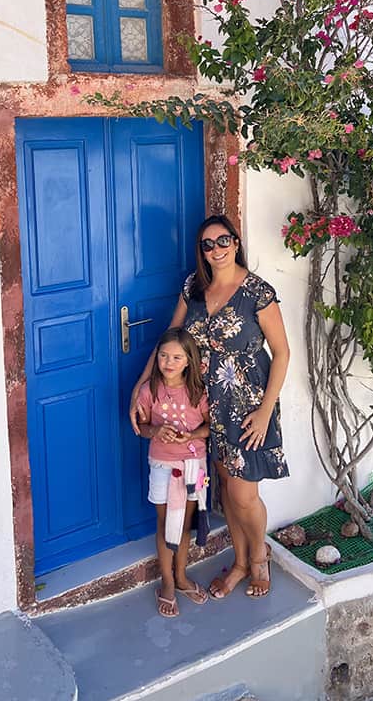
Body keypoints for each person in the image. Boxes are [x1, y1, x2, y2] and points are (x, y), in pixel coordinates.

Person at [131, 215, 290, 600]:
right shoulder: (194, 288)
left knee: (244, 495)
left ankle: (258, 558)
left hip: (248, 404)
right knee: (225, 491)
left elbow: (282, 353)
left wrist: (266, 410)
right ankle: (238, 562)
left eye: (223, 241)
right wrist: (141, 383)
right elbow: (171, 337)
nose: (216, 249)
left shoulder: (257, 292)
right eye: (207, 244)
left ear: (236, 243)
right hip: (204, 404)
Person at [136, 327, 211, 618]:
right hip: (162, 464)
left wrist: (190, 436)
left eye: (177, 357)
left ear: (189, 360)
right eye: (164, 356)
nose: (169, 362)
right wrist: (155, 430)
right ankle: (166, 582)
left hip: (194, 466)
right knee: (166, 521)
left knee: (184, 521)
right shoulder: (149, 391)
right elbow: (141, 428)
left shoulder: (197, 392)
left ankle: (181, 576)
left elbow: (207, 427)